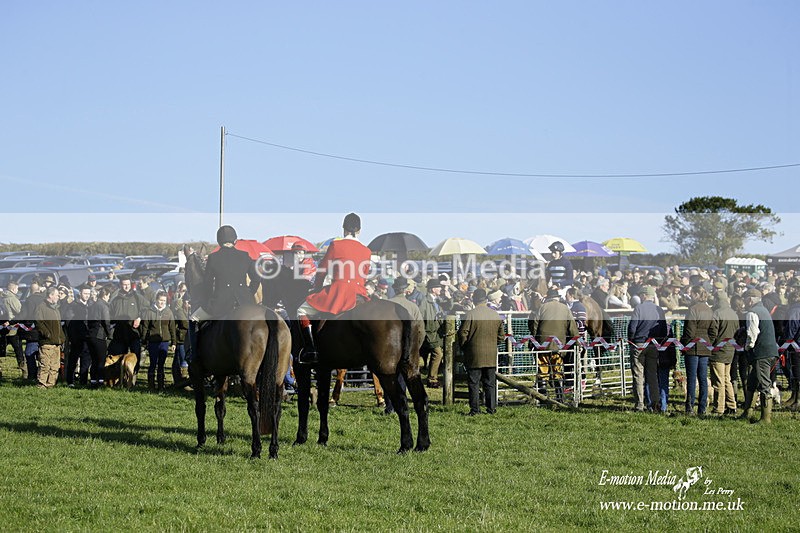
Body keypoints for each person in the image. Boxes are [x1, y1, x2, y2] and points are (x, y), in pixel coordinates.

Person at [296, 213, 371, 365]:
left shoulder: (336, 245)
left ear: (344, 229)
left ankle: (311, 349)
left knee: (301, 311)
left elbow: (322, 270)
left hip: (340, 292)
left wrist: (317, 288)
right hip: (360, 292)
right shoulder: (366, 251)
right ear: (359, 230)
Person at [458, 288, 505, 415]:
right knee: (490, 383)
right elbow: (501, 336)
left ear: (474, 300)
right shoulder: (495, 315)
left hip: (474, 354)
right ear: (485, 300)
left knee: (474, 383)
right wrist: (493, 344)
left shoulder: (470, 314)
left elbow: (463, 333)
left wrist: (464, 346)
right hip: (490, 354)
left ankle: (475, 410)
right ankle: (491, 409)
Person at [528, 287, 578, 402]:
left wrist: (535, 341)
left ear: (548, 298)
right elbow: (572, 328)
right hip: (559, 345)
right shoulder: (565, 308)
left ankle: (542, 398)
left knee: (543, 370)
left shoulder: (541, 307)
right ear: (557, 298)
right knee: (557, 371)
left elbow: (535, 325)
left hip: (542, 344)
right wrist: (577, 343)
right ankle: (560, 398)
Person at [740, 288, 779, 423]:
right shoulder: (764, 311)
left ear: (750, 299)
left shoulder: (752, 312)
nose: (744, 301)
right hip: (770, 352)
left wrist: (747, 347)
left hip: (761, 353)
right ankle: (747, 412)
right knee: (752, 382)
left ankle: (765, 418)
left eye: (745, 299)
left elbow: (752, 334)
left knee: (764, 385)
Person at [627, 286, 668, 412]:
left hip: (638, 344)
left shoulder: (638, 308)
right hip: (654, 344)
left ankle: (639, 404)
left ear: (644, 295)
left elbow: (632, 327)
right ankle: (654, 404)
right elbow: (663, 329)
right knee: (652, 376)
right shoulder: (659, 310)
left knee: (638, 375)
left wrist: (631, 339)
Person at [681, 285, 714, 416]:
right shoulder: (709, 310)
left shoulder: (692, 309)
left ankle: (689, 407)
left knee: (691, 378)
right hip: (705, 346)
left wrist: (685, 345)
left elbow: (689, 330)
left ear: (695, 294)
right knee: (703, 379)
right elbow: (713, 330)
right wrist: (708, 342)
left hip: (693, 347)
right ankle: (702, 408)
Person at [708, 286, 740, 416]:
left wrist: (709, 345)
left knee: (718, 381)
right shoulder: (734, 313)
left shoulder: (716, 313)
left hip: (718, 351)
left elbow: (713, 333)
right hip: (730, 350)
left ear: (716, 300)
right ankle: (732, 405)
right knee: (727, 379)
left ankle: (719, 408)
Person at [109, 276, 148, 372]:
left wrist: (139, 318)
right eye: (124, 285)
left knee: (135, 355)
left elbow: (147, 310)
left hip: (134, 332)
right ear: (120, 285)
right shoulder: (115, 300)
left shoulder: (137, 297)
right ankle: (119, 377)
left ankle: (133, 376)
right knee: (119, 356)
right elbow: (110, 316)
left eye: (128, 284)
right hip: (119, 333)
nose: (126, 287)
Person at [141, 291, 177, 391]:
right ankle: (151, 384)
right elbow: (145, 328)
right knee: (153, 363)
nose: (162, 303)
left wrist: (174, 342)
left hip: (164, 341)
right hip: (153, 341)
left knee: (161, 363)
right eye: (160, 300)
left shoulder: (168, 312)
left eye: (164, 301)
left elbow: (172, 328)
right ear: (156, 300)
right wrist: (144, 342)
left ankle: (161, 384)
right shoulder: (149, 312)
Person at [34, 286, 65, 389]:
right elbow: (39, 323)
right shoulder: (41, 307)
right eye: (57, 295)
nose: (58, 297)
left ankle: (51, 384)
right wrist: (47, 334)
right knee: (45, 365)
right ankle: (41, 384)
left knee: (55, 366)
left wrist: (62, 337)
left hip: (56, 343)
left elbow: (59, 325)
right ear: (51, 295)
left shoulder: (56, 309)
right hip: (47, 342)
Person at [63, 285, 93, 387]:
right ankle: (70, 381)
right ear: (80, 293)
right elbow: (69, 322)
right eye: (85, 293)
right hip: (76, 338)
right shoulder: (73, 306)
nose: (87, 296)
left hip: (87, 338)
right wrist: (73, 337)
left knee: (86, 361)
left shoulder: (91, 305)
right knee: (73, 360)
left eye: (88, 294)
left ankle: (83, 381)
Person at [420, 278, 446, 388]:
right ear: (432, 289)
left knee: (437, 354)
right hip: (429, 332)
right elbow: (420, 317)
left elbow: (446, 308)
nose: (440, 289)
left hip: (436, 332)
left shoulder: (436, 300)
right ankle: (432, 378)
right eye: (438, 287)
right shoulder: (425, 302)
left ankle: (432, 377)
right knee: (438, 353)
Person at [87, 286, 113, 387]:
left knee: (93, 360)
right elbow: (106, 322)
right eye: (108, 296)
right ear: (105, 295)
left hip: (91, 335)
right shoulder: (104, 306)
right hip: (99, 335)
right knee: (101, 360)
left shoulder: (93, 305)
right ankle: (100, 381)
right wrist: (109, 334)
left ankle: (93, 381)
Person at [1, 281, 25, 378]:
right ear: (13, 289)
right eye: (17, 289)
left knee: (2, 349)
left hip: (2, 326)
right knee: (18, 349)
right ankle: (23, 368)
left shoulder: (2, 297)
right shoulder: (12, 299)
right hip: (13, 327)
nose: (18, 291)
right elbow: (19, 311)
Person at [782, 280, 800, 410]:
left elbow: (791, 328)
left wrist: (786, 342)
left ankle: (797, 400)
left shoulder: (795, 309)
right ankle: (794, 397)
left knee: (797, 372)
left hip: (796, 345)